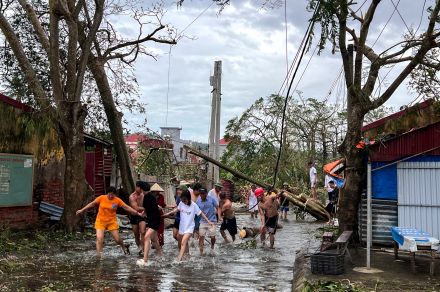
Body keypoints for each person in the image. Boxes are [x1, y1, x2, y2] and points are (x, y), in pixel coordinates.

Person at [76, 186, 143, 257]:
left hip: (112, 222)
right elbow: (92, 204)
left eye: (112, 194)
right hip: (100, 221)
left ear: (115, 194)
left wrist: (137, 213)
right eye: (109, 194)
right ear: (107, 193)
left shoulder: (117, 200)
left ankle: (124, 247)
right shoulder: (101, 198)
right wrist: (82, 210)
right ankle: (99, 256)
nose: (111, 196)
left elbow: (127, 207)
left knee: (117, 239)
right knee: (99, 239)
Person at [164, 190, 214, 261]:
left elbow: (201, 213)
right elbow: (177, 210)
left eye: (185, 200)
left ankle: (178, 260)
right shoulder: (181, 203)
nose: (184, 202)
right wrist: (168, 214)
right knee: (181, 242)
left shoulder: (194, 205)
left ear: (188, 198)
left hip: (190, 228)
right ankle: (187, 257)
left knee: (183, 242)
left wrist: (208, 221)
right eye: (182, 200)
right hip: (182, 227)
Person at [137, 185, 163, 266]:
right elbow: (147, 209)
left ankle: (145, 259)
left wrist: (142, 214)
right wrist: (142, 214)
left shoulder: (148, 196)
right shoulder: (149, 196)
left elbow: (147, 209)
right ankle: (160, 255)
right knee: (155, 240)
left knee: (146, 237)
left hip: (155, 220)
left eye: (138, 187)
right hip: (152, 219)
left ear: (141, 188)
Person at [196, 187, 219, 255]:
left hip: (212, 221)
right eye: (201, 194)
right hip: (202, 222)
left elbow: (218, 207)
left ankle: (212, 247)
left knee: (212, 237)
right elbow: (196, 211)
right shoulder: (198, 201)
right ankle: (201, 252)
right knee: (201, 237)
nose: (202, 195)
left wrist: (219, 216)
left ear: (206, 194)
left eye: (203, 193)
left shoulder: (212, 199)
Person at [129, 181, 147, 255]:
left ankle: (143, 248)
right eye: (140, 188)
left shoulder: (143, 194)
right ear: (137, 187)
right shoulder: (132, 197)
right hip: (134, 216)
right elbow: (136, 208)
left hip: (142, 216)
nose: (141, 190)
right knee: (136, 234)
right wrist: (146, 207)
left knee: (143, 232)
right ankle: (139, 247)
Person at [173, 184, 187, 250]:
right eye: (178, 189)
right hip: (177, 219)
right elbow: (177, 206)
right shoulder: (178, 197)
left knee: (179, 237)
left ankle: (182, 252)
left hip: (183, 220)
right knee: (174, 236)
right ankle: (184, 244)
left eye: (180, 190)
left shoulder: (186, 199)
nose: (178, 191)